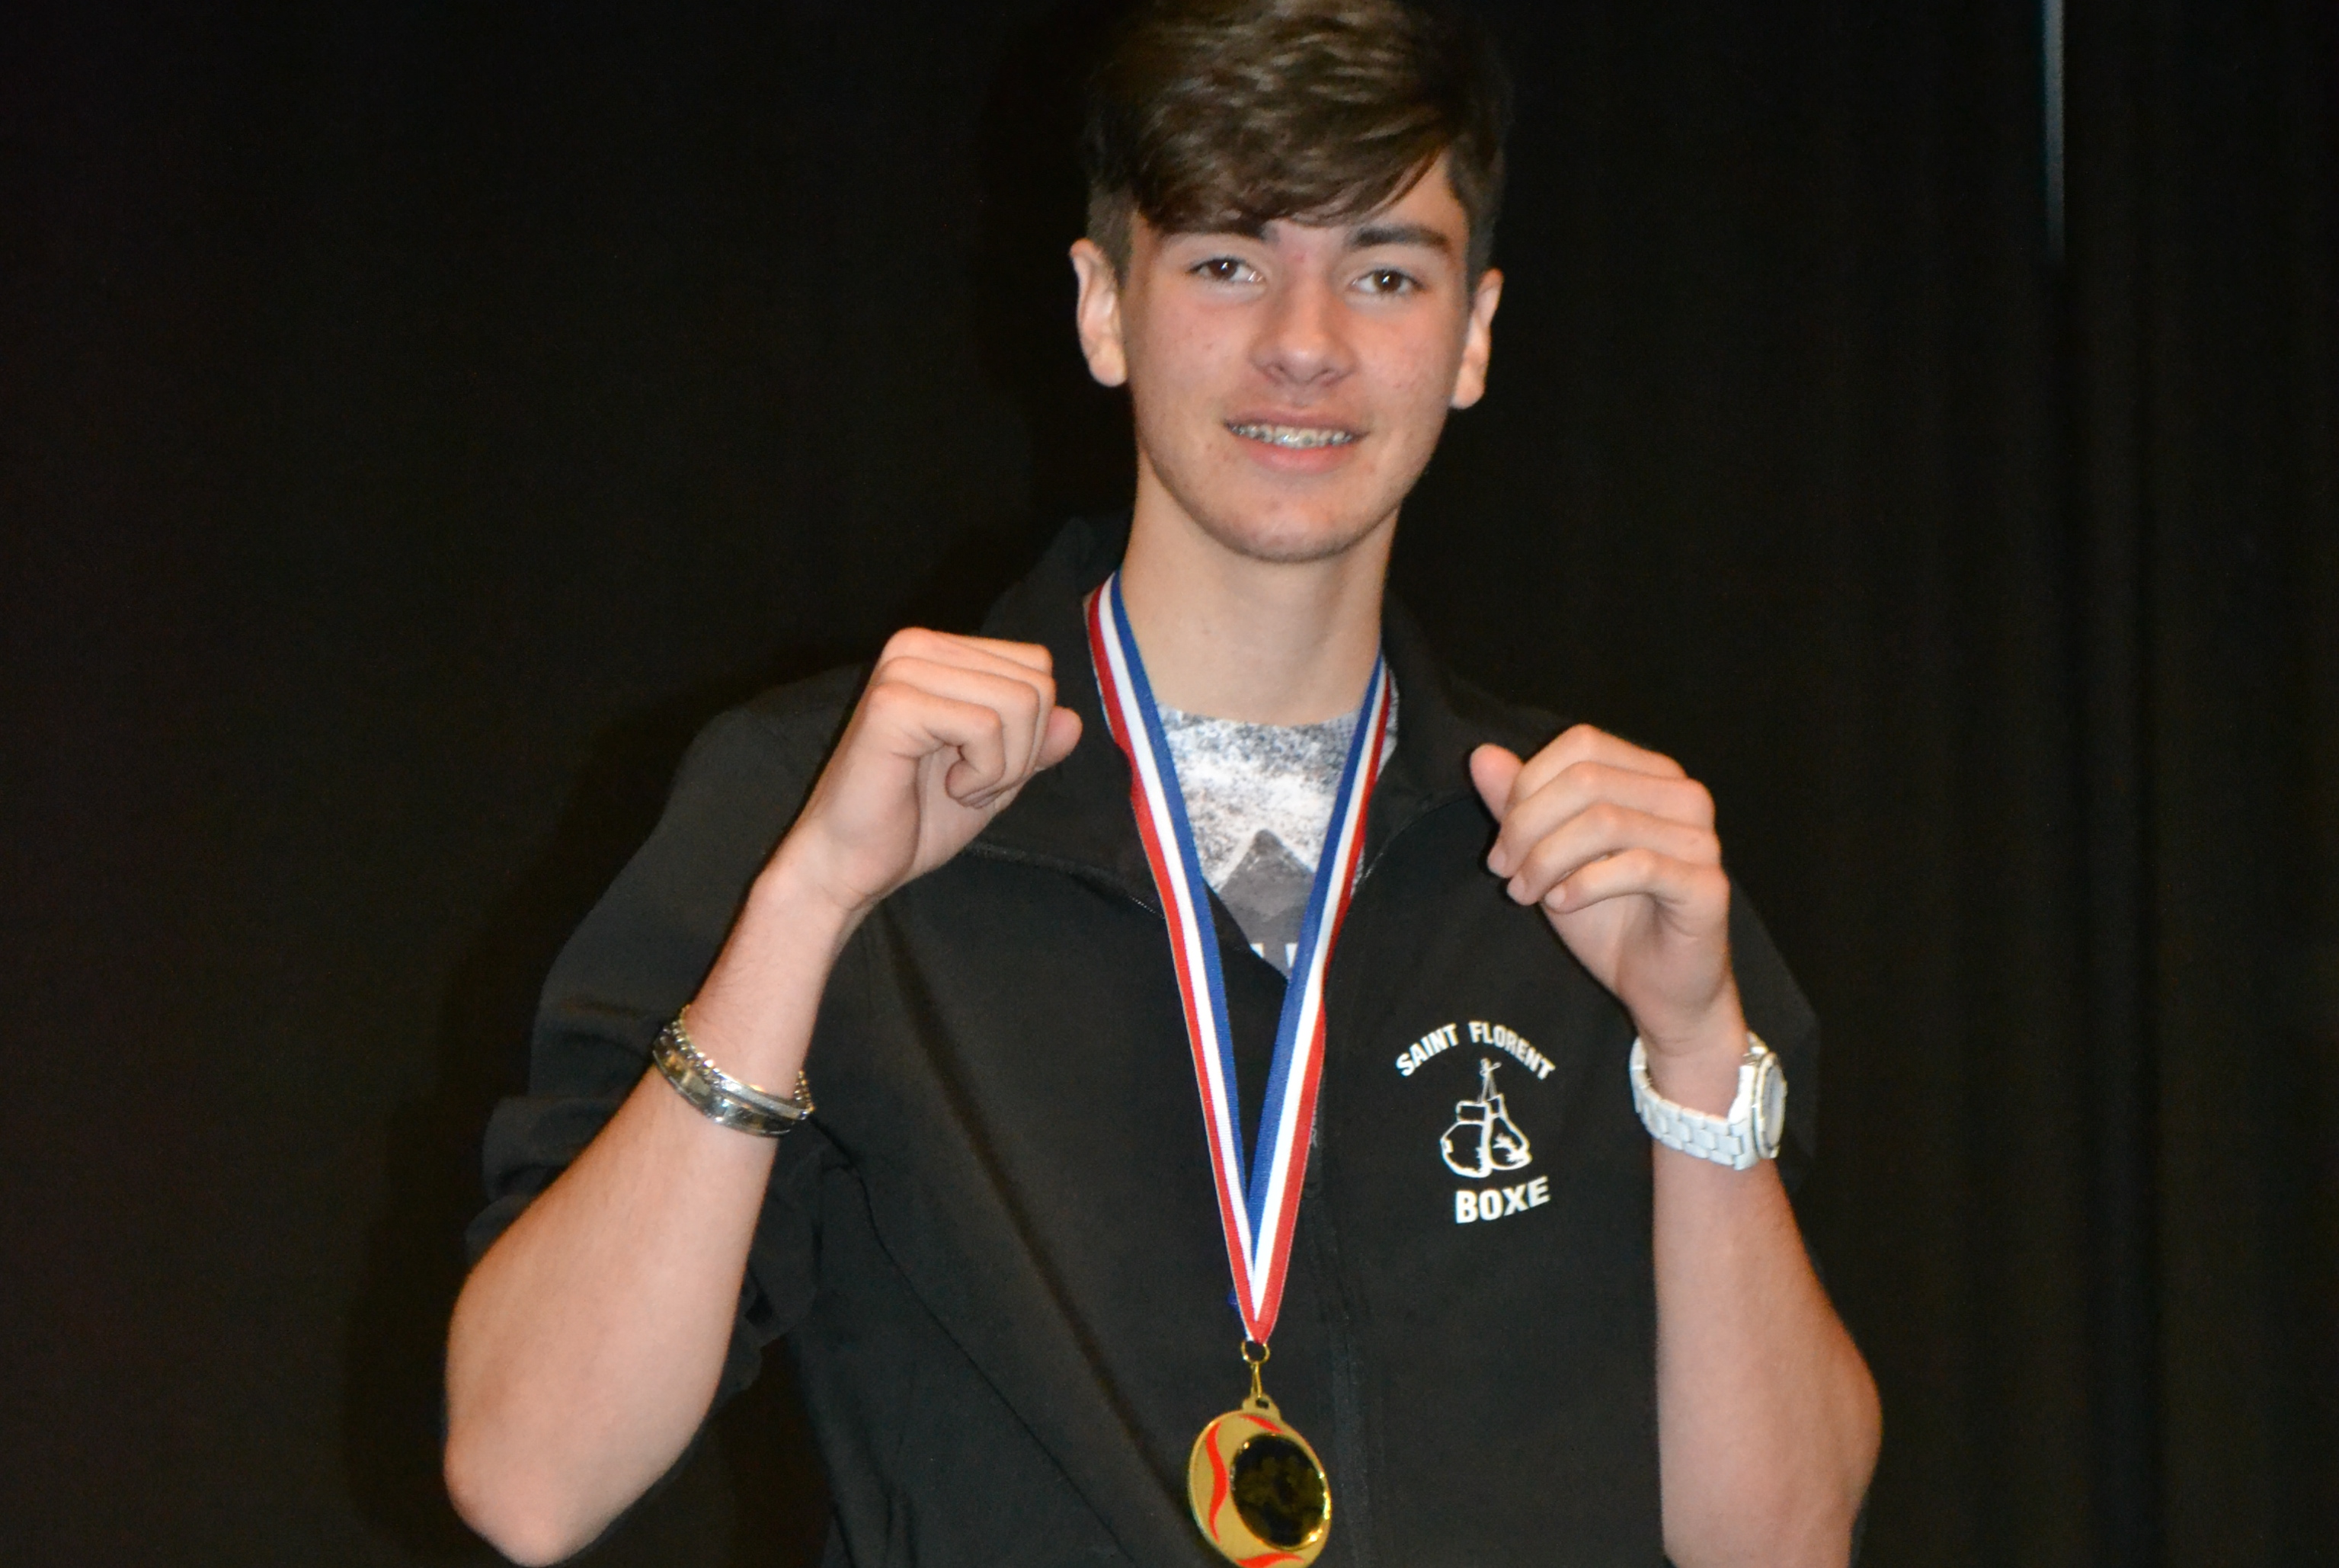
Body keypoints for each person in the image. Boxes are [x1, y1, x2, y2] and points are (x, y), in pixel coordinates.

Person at [443, 2, 1882, 1563]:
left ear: (1471, 335)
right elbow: (529, 1475)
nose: (1305, 342)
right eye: (1224, 260)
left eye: (1385, 273)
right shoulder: (827, 798)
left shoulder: (1584, 855)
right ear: (1100, 306)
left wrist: (1691, 1052)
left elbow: (1777, 1542)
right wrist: (805, 906)